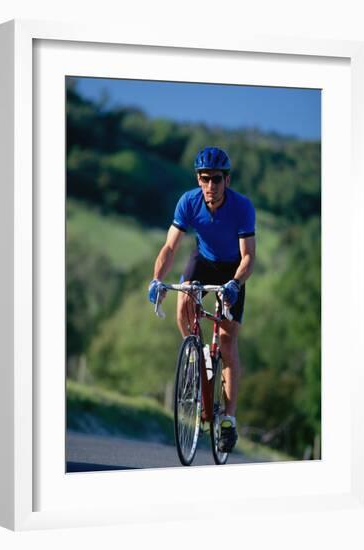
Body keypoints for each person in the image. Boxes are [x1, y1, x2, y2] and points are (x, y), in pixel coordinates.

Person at [148, 146, 256, 453]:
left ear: (227, 180)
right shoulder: (188, 202)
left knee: (226, 340)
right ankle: (195, 353)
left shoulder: (242, 207)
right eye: (206, 178)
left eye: (217, 179)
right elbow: (170, 248)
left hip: (233, 270)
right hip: (204, 261)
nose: (211, 185)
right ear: (198, 179)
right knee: (183, 298)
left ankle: (228, 422)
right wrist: (156, 279)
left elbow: (248, 256)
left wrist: (235, 283)